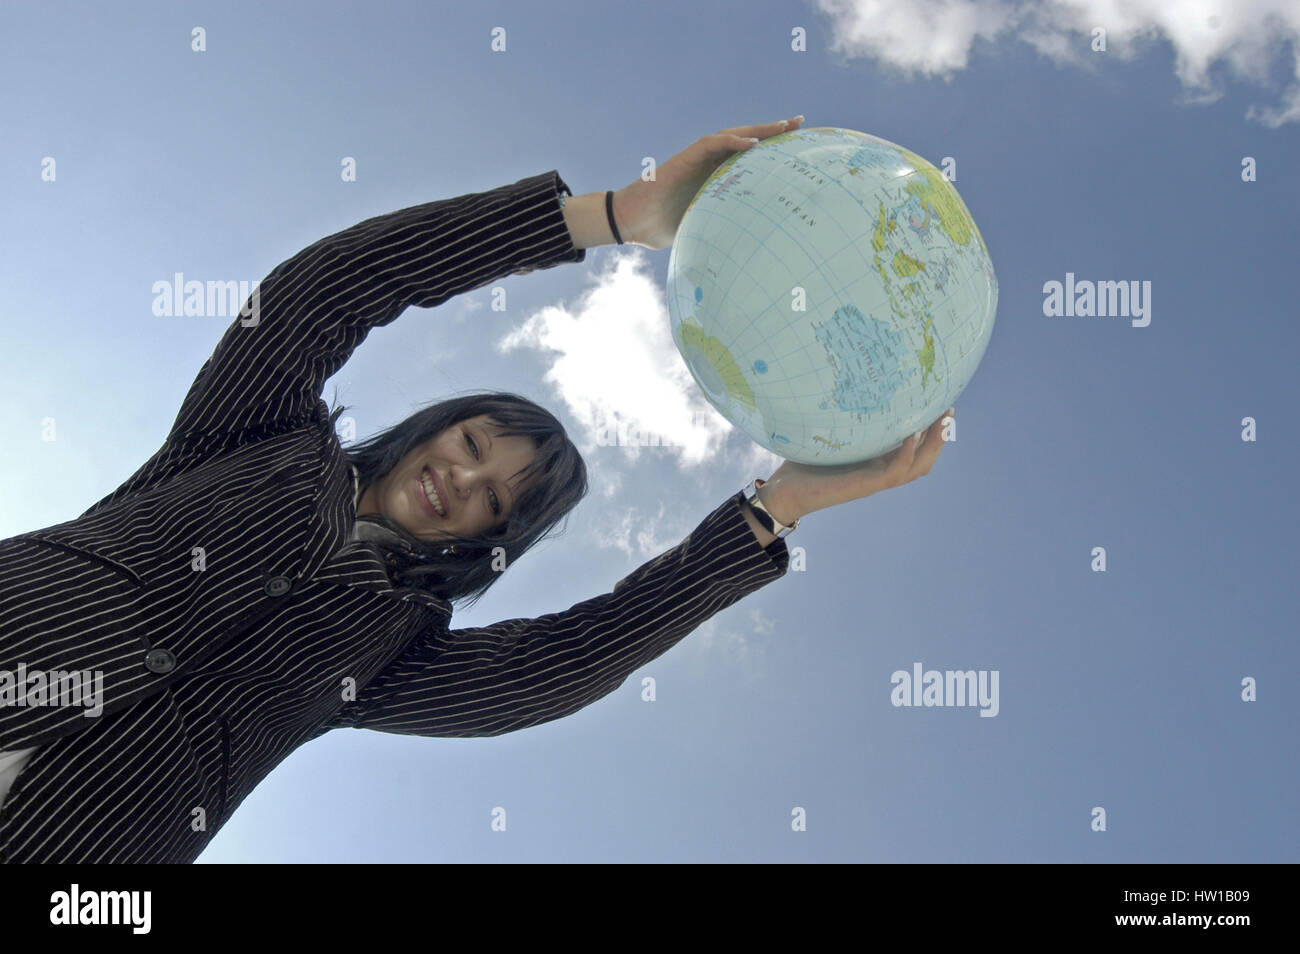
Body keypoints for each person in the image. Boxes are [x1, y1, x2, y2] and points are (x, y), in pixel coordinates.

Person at [0, 115, 951, 862]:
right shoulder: (260, 437)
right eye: (470, 443)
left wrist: (775, 508)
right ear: (433, 426)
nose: (461, 479)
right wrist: (611, 215)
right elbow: (322, 290)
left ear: (484, 542)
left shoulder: (393, 649)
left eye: (496, 500)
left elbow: (568, 659)